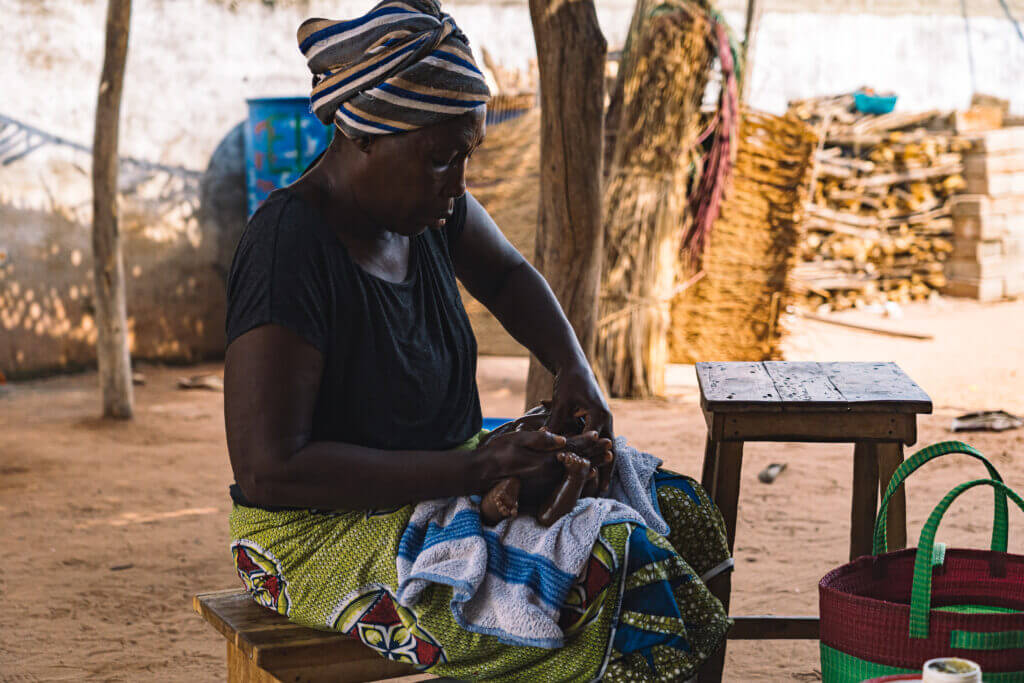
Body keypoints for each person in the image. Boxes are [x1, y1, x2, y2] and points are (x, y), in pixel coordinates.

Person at [223, 1, 732, 680]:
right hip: (317, 533)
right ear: (366, 135)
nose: (458, 184)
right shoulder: (291, 246)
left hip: (439, 473)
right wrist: (478, 471)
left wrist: (573, 368)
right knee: (622, 573)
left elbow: (507, 272)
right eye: (440, 159)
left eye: (465, 157)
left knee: (683, 510)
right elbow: (271, 470)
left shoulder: (429, 212)